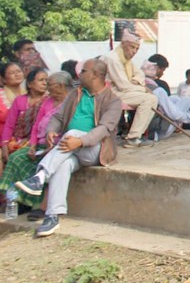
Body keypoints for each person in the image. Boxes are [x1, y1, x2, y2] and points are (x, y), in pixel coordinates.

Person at [16, 58, 123, 237]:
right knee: (64, 165)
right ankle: (52, 216)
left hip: (96, 150)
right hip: (71, 148)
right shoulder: (75, 94)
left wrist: (79, 141)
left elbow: (104, 129)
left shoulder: (113, 100)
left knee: (73, 132)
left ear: (95, 75)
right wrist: (51, 131)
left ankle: (40, 176)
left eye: (83, 71)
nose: (79, 74)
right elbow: (57, 117)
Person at [0, 71, 72, 219]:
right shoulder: (48, 101)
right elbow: (36, 126)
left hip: (55, 146)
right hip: (38, 144)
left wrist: (49, 148)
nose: (46, 86)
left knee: (43, 164)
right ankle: (17, 201)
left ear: (60, 86)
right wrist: (32, 145)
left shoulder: (71, 102)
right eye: (43, 81)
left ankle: (37, 205)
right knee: (16, 158)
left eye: (49, 83)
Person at [102, 30, 159, 148]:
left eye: (137, 49)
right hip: (110, 93)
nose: (134, 51)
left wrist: (137, 81)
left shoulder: (126, 59)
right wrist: (142, 88)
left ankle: (136, 135)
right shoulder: (113, 58)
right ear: (123, 44)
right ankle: (133, 138)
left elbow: (140, 74)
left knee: (153, 99)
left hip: (121, 91)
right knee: (147, 99)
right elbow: (123, 86)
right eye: (132, 47)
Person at [1, 67, 48, 169]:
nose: (45, 83)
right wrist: (4, 146)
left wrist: (32, 144)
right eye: (41, 80)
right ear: (30, 84)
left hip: (37, 143)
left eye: (46, 80)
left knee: (16, 158)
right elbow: (9, 125)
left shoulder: (48, 101)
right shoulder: (20, 100)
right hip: (16, 141)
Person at [0, 62, 26, 128]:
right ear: (3, 79)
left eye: (19, 71)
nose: (17, 74)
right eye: (12, 73)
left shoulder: (30, 92)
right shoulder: (1, 95)